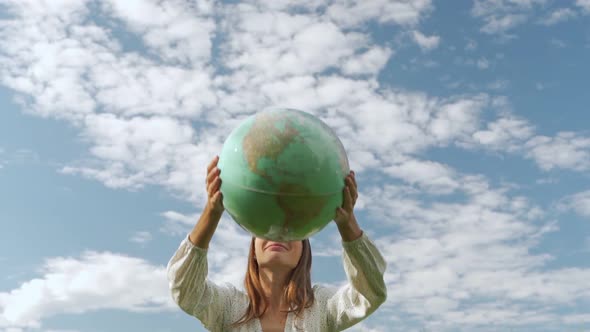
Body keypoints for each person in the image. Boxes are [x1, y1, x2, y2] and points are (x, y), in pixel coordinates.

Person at [167, 156, 387, 331]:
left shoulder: (322, 307)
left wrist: (348, 224)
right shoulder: (227, 306)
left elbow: (370, 293)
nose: (277, 236)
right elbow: (185, 289)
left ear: (304, 252)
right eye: (266, 228)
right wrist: (212, 212)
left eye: (290, 232)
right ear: (253, 249)